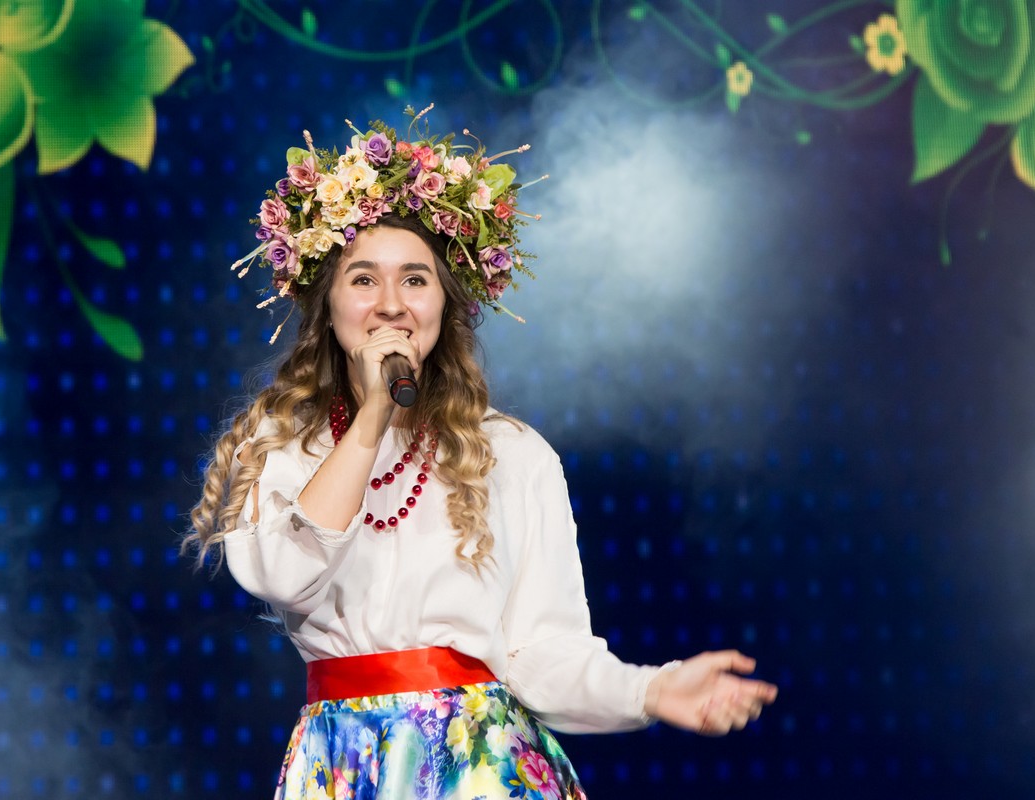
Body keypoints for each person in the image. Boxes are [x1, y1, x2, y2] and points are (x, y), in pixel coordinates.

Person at [187, 107, 778, 800]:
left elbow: (543, 653)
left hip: (480, 764)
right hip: (347, 766)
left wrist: (650, 690)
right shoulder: (282, 447)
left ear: (445, 303)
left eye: (415, 279)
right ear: (328, 305)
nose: (391, 304)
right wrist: (373, 417)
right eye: (363, 279)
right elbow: (286, 576)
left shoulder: (513, 455)